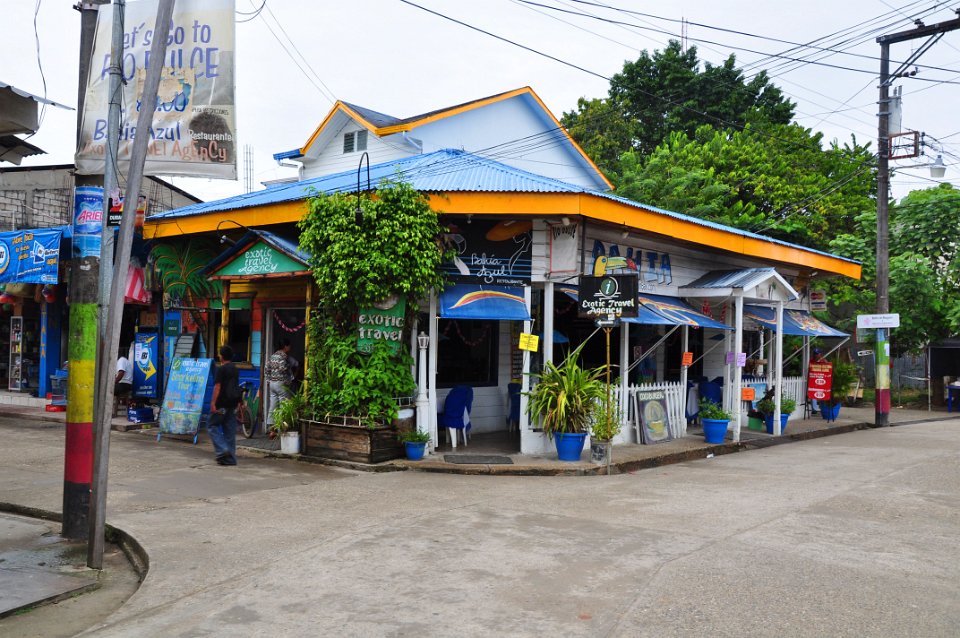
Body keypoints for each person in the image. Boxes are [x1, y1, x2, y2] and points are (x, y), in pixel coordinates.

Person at [209, 345, 240, 466]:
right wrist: (240, 401)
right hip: (232, 403)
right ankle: (231, 459)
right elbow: (236, 386)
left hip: (221, 404)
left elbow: (217, 387)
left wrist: (213, 403)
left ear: (221, 356)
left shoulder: (221, 369)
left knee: (211, 425)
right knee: (230, 432)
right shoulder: (235, 369)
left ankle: (222, 449)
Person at [265, 337, 294, 431]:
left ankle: (271, 428)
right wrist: (288, 378)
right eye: (289, 346)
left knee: (273, 406)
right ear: (285, 346)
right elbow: (282, 368)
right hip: (281, 383)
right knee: (283, 406)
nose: (290, 347)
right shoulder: (283, 356)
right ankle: (281, 429)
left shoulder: (273, 356)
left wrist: (268, 380)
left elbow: (267, 368)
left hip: (272, 384)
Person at [810, 348, 826, 414]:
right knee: (813, 394)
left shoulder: (823, 360)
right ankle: (814, 409)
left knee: (823, 394)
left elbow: (827, 369)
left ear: (820, 354)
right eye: (815, 354)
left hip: (822, 380)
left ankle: (822, 408)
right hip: (814, 379)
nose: (816, 355)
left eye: (817, 354)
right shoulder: (811, 360)